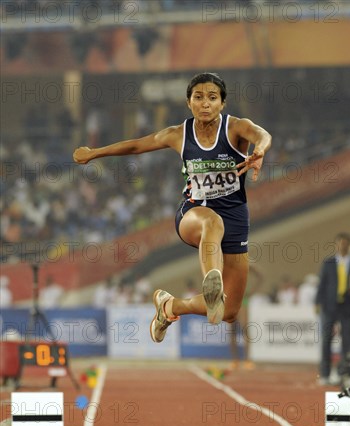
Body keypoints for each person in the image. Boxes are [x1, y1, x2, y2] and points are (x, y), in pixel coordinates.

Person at [73, 72, 272, 342]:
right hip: (194, 212)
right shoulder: (178, 134)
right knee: (212, 222)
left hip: (235, 217)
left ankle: (170, 307)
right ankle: (211, 282)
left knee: (230, 312)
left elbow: (262, 134)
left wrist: (259, 149)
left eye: (212, 98)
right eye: (198, 97)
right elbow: (135, 146)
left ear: (222, 103)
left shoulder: (236, 127)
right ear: (188, 102)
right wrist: (95, 153)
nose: (205, 103)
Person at [314, 232, 350, 386]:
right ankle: (325, 374)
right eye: (340, 243)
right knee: (326, 340)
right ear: (336, 245)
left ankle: (344, 373)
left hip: (347, 305)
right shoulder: (328, 263)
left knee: (347, 342)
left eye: (346, 243)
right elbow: (322, 283)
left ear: (349, 245)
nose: (343, 246)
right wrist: (317, 302)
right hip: (329, 306)